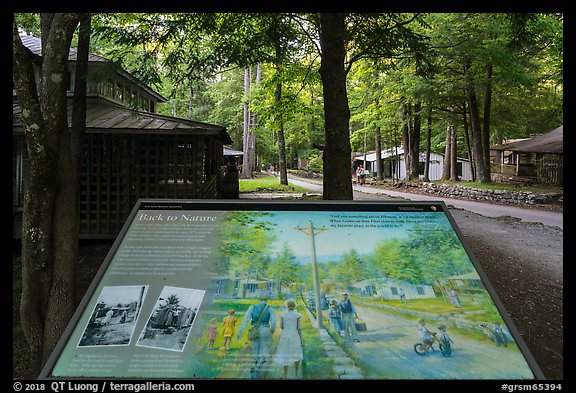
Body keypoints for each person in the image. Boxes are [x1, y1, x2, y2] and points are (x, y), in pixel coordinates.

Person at [237, 294, 277, 379]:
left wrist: (240, 331)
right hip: (265, 329)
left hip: (254, 330)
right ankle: (257, 367)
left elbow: (245, 320)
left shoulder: (252, 307)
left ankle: (254, 369)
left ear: (259, 299)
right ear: (266, 300)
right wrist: (272, 330)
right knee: (265, 352)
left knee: (255, 351)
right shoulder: (270, 308)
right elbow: (273, 322)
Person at [274, 299, 304, 378]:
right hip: (294, 335)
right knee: (296, 353)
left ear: (287, 306)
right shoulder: (298, 315)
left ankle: (285, 375)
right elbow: (299, 328)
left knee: (285, 354)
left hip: (285, 335)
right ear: (294, 306)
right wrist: (302, 339)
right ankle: (296, 374)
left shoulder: (282, 314)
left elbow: (281, 326)